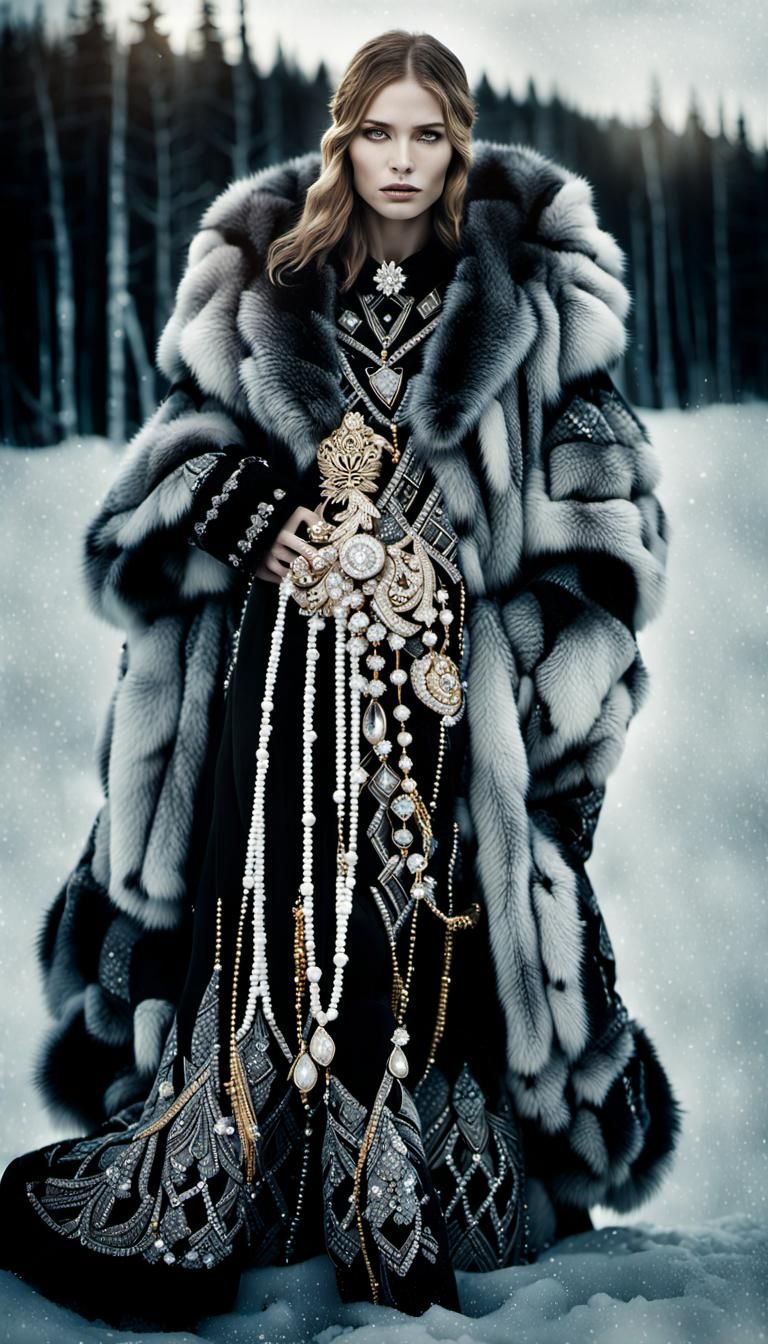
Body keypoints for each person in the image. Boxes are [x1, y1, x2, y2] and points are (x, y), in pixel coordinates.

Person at [0, 29, 683, 1332]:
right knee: (279, 939)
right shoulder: (262, 290)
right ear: (344, 142)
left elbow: (604, 550)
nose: (406, 160)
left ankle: (410, 1171)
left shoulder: (534, 308)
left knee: (439, 950)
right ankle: (249, 1149)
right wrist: (265, 521)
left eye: (431, 134)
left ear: (461, 141)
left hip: (448, 705)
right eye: (382, 132)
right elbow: (157, 496)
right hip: (275, 699)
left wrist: (500, 637)